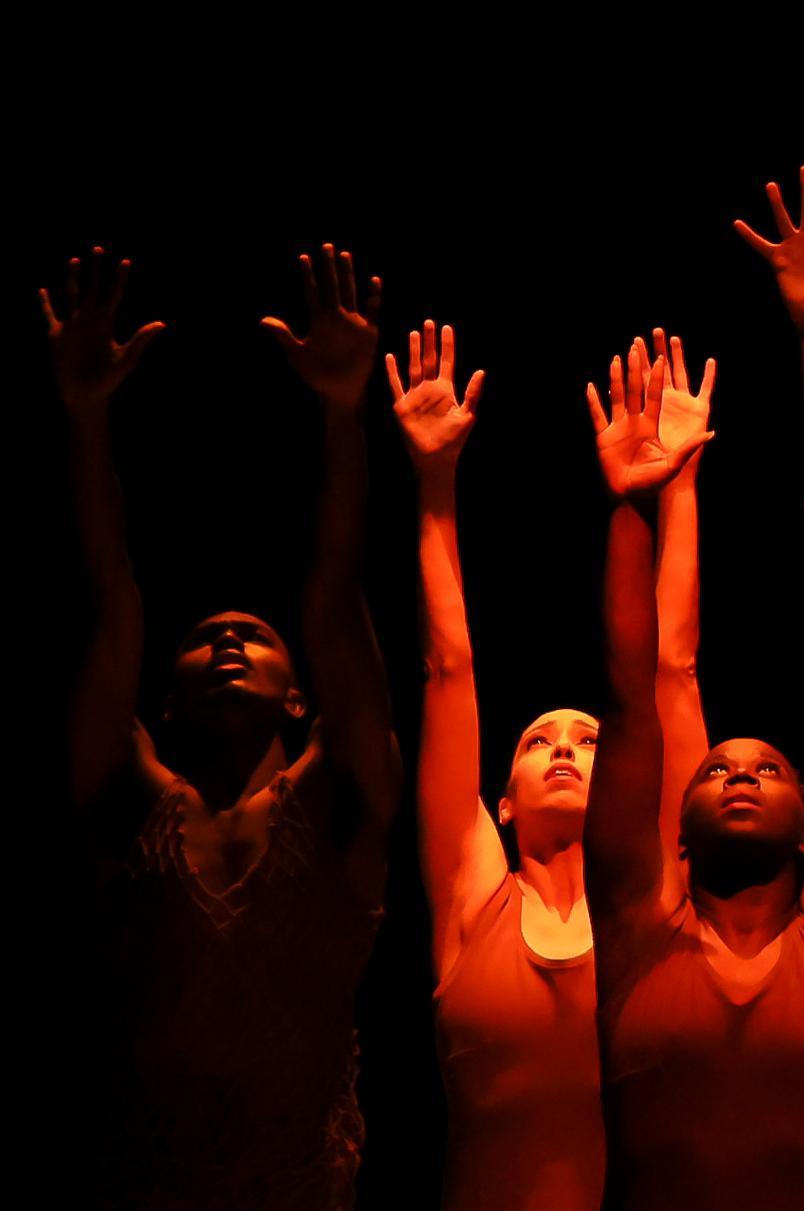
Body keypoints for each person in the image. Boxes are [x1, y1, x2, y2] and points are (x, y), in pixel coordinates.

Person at [58, 245, 400, 1208]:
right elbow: (114, 602)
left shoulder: (341, 800)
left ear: (301, 696)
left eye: (251, 636)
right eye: (205, 640)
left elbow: (334, 602)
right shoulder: (124, 801)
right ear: (163, 702)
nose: (226, 645)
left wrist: (344, 410)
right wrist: (86, 422)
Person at [581, 337, 804, 1210]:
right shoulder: (636, 922)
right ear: (675, 822)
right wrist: (632, 510)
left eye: (767, 768)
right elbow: (633, 697)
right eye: (713, 769)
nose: (738, 774)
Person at [394, 320, 618, 1208]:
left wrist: (661, 495)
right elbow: (447, 667)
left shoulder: (654, 913)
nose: (563, 747)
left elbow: (669, 672)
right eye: (538, 740)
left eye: (588, 738)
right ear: (505, 803)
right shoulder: (472, 897)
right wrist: (435, 481)